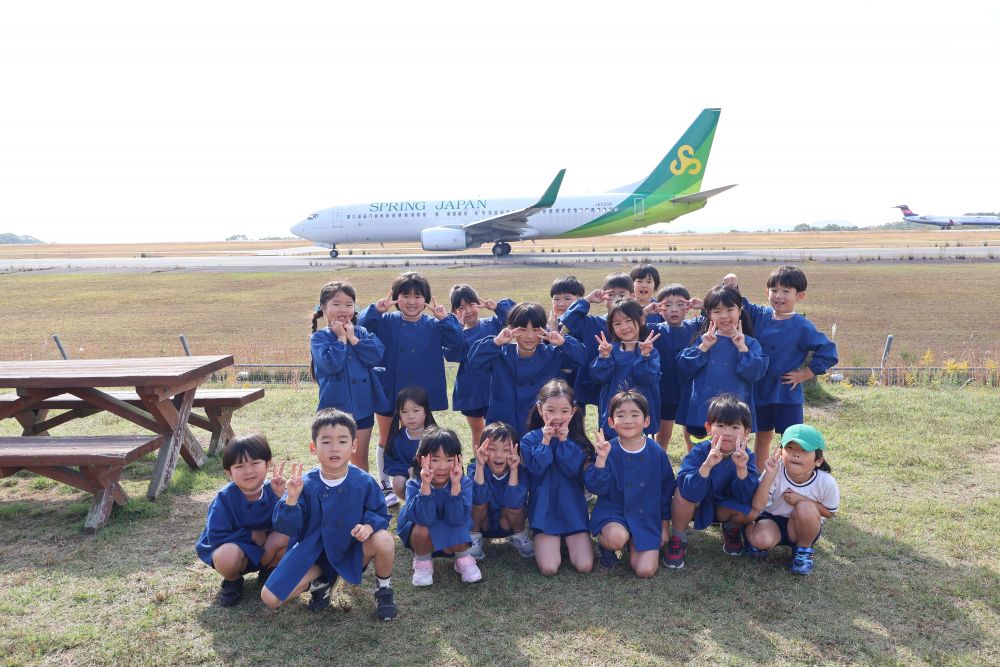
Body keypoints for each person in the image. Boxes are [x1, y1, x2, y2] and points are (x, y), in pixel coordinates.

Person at [261, 409, 397, 622]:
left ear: (354, 446)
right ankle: (321, 582)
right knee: (270, 598)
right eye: (326, 442)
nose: (334, 448)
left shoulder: (364, 481)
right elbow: (285, 526)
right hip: (314, 555)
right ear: (313, 447)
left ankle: (384, 591)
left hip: (352, 550)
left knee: (384, 540)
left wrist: (368, 527)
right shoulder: (303, 483)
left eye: (342, 441)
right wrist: (291, 499)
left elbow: (379, 513)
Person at [358, 272, 463, 505]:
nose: (412, 301)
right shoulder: (385, 321)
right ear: (396, 297)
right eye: (406, 295)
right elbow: (360, 328)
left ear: (426, 299)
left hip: (422, 392)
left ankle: (424, 479)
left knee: (425, 437)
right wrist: (376, 310)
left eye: (418, 296)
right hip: (389, 387)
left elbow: (457, 345)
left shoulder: (435, 325)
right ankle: (386, 484)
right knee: (386, 437)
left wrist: (446, 319)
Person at [722, 268, 839, 465]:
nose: (779, 296)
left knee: (792, 439)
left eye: (786, 291)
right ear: (766, 292)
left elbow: (828, 352)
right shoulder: (760, 315)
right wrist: (733, 285)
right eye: (774, 290)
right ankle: (759, 477)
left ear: (799, 295)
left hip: (786, 392)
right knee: (762, 437)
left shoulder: (803, 326)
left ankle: (792, 475)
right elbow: (740, 304)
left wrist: (805, 373)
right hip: (759, 390)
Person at [664, 394, 760, 570]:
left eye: (735, 427)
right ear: (709, 427)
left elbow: (747, 496)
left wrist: (741, 470)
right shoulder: (700, 452)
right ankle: (678, 538)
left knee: (754, 509)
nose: (727, 432)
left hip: (724, 508)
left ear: (746, 431)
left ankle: (731, 529)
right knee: (680, 492)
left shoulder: (748, 457)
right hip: (697, 504)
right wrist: (706, 467)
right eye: (720, 425)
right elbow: (688, 491)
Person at [585, 391, 675, 577]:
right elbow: (595, 488)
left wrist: (664, 527)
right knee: (616, 538)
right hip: (615, 512)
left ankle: (634, 540)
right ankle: (607, 546)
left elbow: (666, 492)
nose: (628, 420)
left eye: (635, 415)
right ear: (611, 422)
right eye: (620, 415)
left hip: (646, 516)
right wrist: (601, 460)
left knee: (645, 570)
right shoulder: (607, 448)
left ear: (646, 420)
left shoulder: (657, 452)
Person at [195, 435, 290, 606]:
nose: (248, 471)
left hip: (267, 549)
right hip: (239, 553)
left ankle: (269, 570)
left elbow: (292, 523)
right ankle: (233, 579)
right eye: (239, 466)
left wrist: (283, 498)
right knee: (226, 555)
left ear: (267, 464)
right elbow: (215, 536)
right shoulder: (224, 498)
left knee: (287, 536)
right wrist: (251, 535)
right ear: (228, 472)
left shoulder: (275, 489)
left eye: (255, 463)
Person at [469, 303, 586, 438]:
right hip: (504, 426)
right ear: (511, 328)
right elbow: (474, 361)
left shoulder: (552, 354)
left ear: (543, 330)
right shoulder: (500, 354)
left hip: (540, 428)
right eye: (523, 329)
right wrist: (496, 341)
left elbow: (581, 358)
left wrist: (563, 342)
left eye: (536, 329)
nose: (529, 336)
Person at [310, 281, 386, 476]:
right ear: (323, 307)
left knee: (360, 457)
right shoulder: (319, 338)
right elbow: (331, 364)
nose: (343, 309)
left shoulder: (361, 333)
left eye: (349, 304)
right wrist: (341, 339)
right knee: (335, 459)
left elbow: (376, 355)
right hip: (334, 409)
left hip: (363, 408)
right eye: (336, 304)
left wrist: (353, 339)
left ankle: (362, 496)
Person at [519, 379, 595, 576]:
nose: (557, 417)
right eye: (550, 410)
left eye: (564, 411)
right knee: (549, 568)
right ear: (539, 408)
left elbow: (571, 470)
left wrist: (563, 440)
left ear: (573, 411)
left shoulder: (578, 441)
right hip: (544, 512)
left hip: (572, 510)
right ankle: (550, 540)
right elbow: (537, 469)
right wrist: (545, 441)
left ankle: (568, 540)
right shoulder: (529, 440)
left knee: (584, 566)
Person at [676, 284, 768, 440]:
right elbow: (683, 367)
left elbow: (755, 373)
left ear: (740, 310)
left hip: (735, 410)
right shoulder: (703, 339)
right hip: (703, 408)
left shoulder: (750, 343)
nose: (724, 316)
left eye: (729, 310)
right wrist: (703, 347)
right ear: (709, 315)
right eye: (717, 311)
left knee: (732, 450)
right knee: (700, 452)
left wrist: (742, 348)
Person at [744, 424, 840, 575]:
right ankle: (744, 530)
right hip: (772, 520)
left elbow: (829, 513)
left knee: (805, 508)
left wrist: (801, 499)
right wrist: (769, 475)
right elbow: (757, 504)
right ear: (781, 452)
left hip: (802, 528)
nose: (796, 454)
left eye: (804, 450)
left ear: (818, 460)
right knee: (760, 541)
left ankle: (803, 551)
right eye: (790, 448)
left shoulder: (826, 482)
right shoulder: (775, 470)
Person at [396, 428, 482, 586]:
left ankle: (463, 559)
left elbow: (458, 518)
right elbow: (424, 518)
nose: (442, 466)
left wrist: (455, 486)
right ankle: (423, 563)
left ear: (458, 460)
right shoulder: (413, 484)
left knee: (458, 521)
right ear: (421, 460)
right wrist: (426, 487)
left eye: (449, 459)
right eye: (435, 460)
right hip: (424, 532)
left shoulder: (465, 483)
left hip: (453, 528)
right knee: (421, 527)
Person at [443, 284, 514, 449]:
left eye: (471, 304)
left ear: (478, 304)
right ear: (453, 311)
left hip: (495, 386)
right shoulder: (457, 333)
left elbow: (514, 316)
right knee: (478, 432)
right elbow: (452, 354)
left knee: (499, 430)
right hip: (471, 389)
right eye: (461, 307)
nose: (467, 311)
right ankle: (479, 465)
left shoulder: (492, 324)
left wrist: (497, 307)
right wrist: (457, 329)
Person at [558, 271, 636, 409]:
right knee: (580, 419)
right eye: (611, 295)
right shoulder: (594, 322)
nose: (616, 299)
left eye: (622, 295)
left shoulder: (635, 326)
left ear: (632, 296)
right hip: (591, 379)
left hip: (621, 382)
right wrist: (587, 300)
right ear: (604, 297)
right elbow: (569, 321)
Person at [591, 299, 661, 439]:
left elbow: (647, 377)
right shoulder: (610, 350)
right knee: (613, 448)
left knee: (640, 447)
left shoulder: (650, 351)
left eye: (629, 320)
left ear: (641, 320)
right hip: (614, 410)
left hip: (640, 410)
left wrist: (645, 355)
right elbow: (598, 377)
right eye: (617, 323)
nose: (624, 327)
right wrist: (604, 357)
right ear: (612, 327)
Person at [648, 284, 704, 453]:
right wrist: (645, 310)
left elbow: (715, 315)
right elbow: (634, 321)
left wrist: (703, 305)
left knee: (692, 435)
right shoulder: (655, 329)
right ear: (659, 308)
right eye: (668, 304)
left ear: (688, 306)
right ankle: (658, 464)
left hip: (690, 391)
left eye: (680, 304)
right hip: (665, 391)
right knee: (664, 434)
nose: (674, 309)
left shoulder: (695, 326)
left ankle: (691, 464)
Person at [467, 421, 534, 560]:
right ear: (482, 449)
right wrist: (480, 465)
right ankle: (474, 536)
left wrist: (514, 469)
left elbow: (515, 500)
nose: (499, 455)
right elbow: (476, 497)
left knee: (516, 505)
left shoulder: (521, 471)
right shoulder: (475, 468)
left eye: (506, 450)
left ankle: (519, 535)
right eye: (492, 449)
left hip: (506, 523)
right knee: (478, 503)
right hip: (483, 523)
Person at [383, 386, 438, 502]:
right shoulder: (396, 438)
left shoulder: (437, 436)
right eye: (405, 411)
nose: (410, 416)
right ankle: (412, 504)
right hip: (408, 477)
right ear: (399, 414)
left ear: (426, 411)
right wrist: (408, 469)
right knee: (398, 482)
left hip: (435, 476)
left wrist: (422, 470)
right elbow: (390, 464)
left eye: (416, 410)